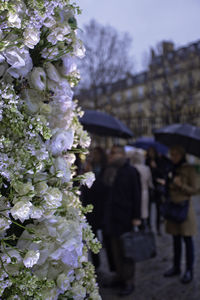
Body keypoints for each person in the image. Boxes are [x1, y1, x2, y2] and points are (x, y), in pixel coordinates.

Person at [102, 145, 141, 297]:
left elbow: (137, 195)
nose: (110, 155)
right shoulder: (109, 169)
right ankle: (119, 276)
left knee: (127, 252)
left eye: (113, 152)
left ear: (121, 155)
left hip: (125, 217)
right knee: (115, 250)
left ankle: (129, 281)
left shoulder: (130, 171)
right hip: (112, 217)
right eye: (110, 152)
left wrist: (137, 217)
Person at [163, 145, 198, 284]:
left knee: (187, 240)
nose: (173, 157)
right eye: (172, 154)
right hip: (172, 207)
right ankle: (176, 266)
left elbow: (195, 189)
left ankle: (189, 269)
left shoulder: (189, 169)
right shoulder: (171, 167)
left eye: (176, 154)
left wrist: (180, 185)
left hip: (184, 209)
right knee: (175, 240)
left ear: (182, 155)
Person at [145, 146, 172, 234]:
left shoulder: (160, 160)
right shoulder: (147, 161)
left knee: (158, 209)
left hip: (157, 188)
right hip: (149, 187)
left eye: (152, 151)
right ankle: (148, 226)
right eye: (149, 151)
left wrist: (155, 167)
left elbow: (162, 172)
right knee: (148, 209)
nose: (151, 153)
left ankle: (158, 228)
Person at [129, 150, 154, 230]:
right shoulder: (146, 168)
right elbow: (150, 183)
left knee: (135, 214)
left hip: (134, 193)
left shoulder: (131, 168)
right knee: (143, 215)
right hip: (144, 193)